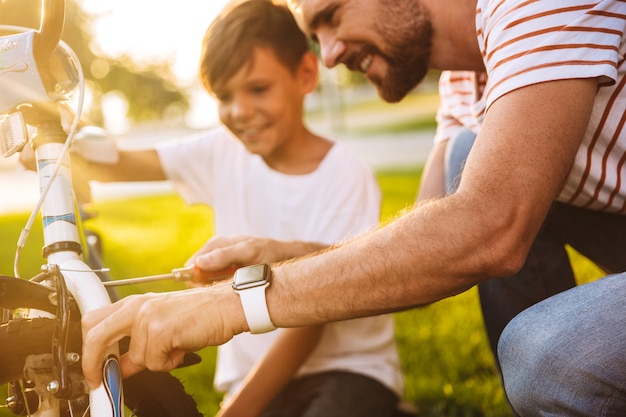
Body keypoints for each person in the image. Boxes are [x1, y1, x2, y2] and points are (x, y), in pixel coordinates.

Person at [81, 0, 626, 414]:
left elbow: (485, 230)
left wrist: (229, 304)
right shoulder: (468, 83)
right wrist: (286, 255)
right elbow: (432, 252)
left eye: (333, 16)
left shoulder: (539, 6)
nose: (330, 52)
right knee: (466, 154)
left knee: (541, 354)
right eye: (316, 34)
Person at [61, 1, 406, 416]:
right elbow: (117, 164)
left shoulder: (345, 174)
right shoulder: (223, 150)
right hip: (252, 378)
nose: (240, 111)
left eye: (258, 88)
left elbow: (313, 320)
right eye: (224, 96)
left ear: (305, 74)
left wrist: (236, 411)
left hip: (346, 373)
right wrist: (56, 140)